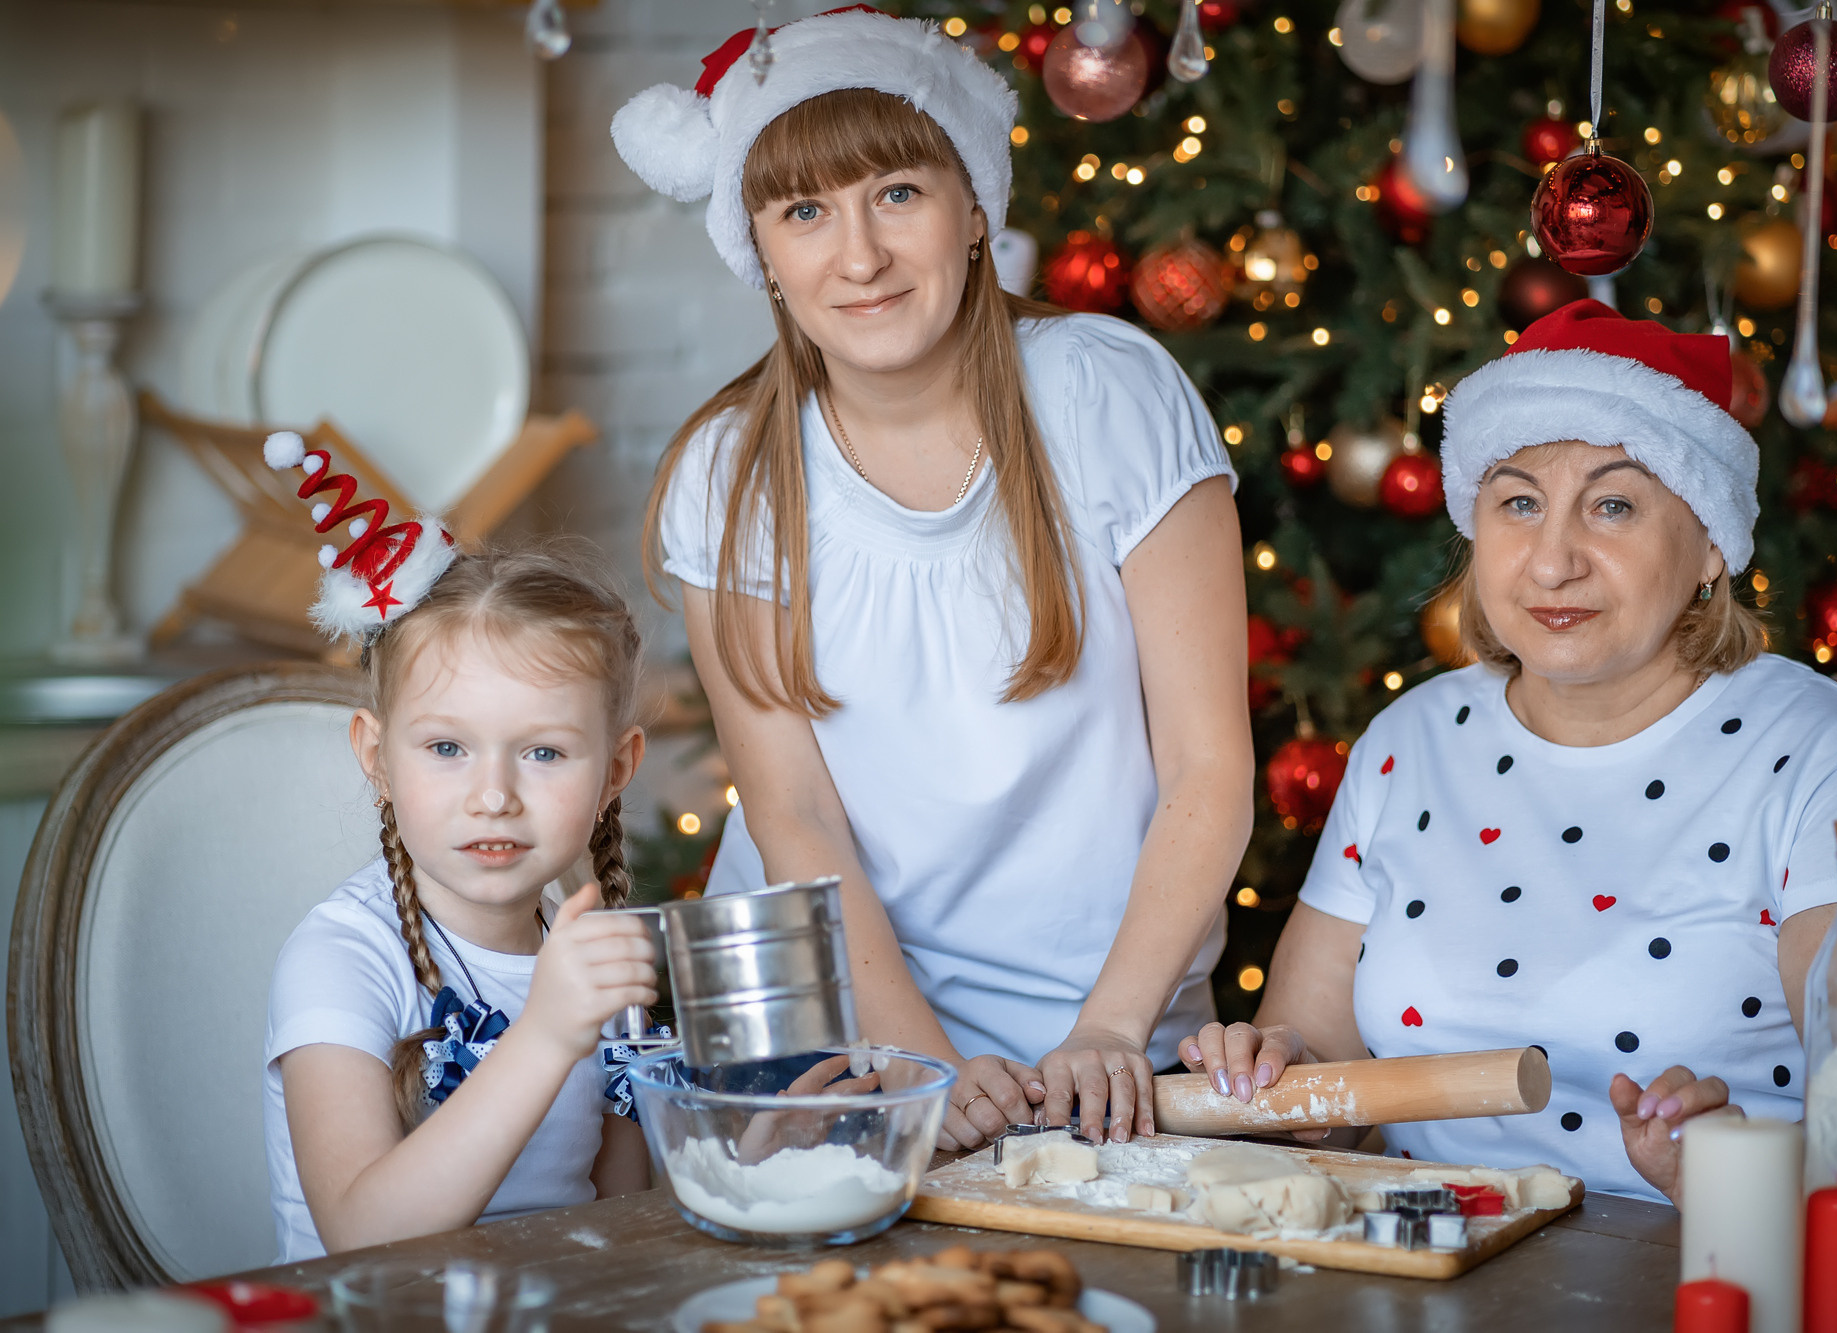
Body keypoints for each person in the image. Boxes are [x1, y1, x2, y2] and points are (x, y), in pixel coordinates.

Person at [612, 8, 1253, 1151]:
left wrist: (1110, 1025)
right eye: (804, 212)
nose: (856, 257)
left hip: (1108, 1028)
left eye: (896, 194)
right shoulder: (730, 474)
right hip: (835, 1036)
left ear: (971, 211)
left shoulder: (1108, 396)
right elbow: (792, 810)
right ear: (758, 249)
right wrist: (921, 1066)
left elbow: (1207, 766)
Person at [1178, 301, 1837, 1206]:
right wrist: (1276, 1073)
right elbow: (1319, 1070)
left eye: (1614, 505)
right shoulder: (1409, 742)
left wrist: (1733, 1173)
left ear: (1711, 542)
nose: (1552, 562)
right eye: (1519, 501)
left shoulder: (1830, 765)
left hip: (1700, 1274)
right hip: (1420, 1266)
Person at [260, 432, 659, 1259]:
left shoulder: (592, 965)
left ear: (615, 770)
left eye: (543, 752)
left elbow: (625, 1228)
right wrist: (546, 1035)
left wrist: (751, 1143)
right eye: (447, 748)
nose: (493, 795)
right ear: (377, 757)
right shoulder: (343, 959)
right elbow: (362, 1231)